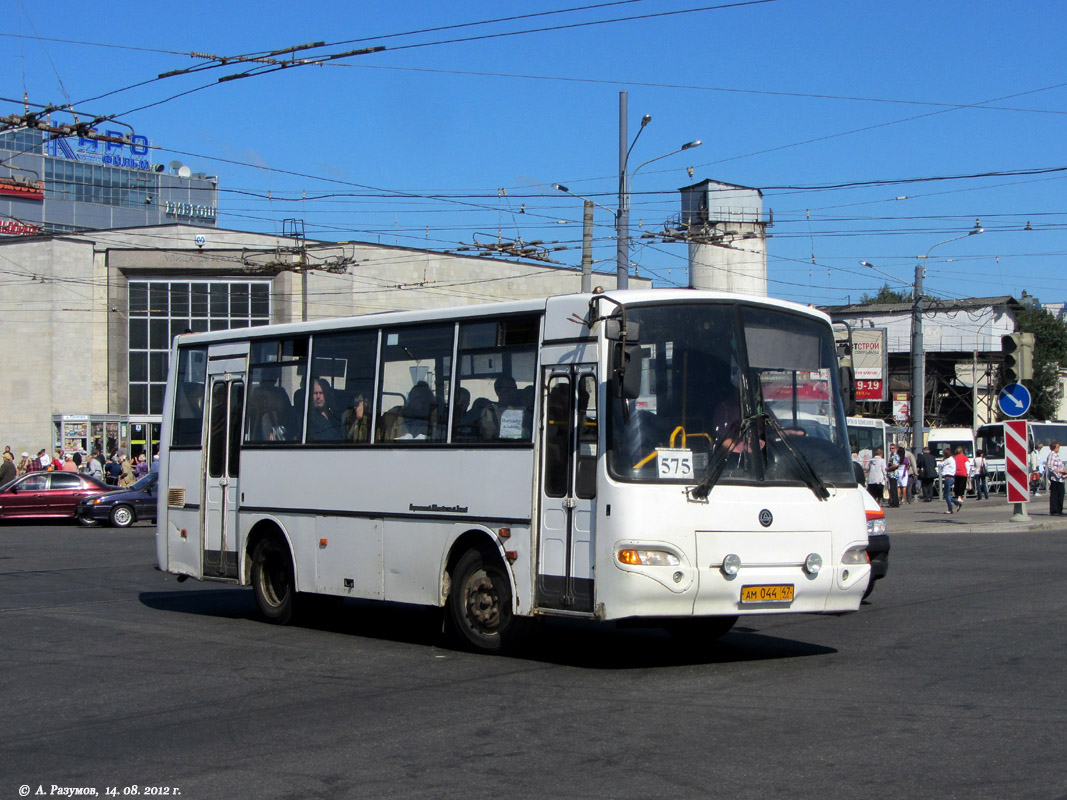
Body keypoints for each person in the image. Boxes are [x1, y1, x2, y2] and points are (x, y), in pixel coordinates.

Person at [940, 447, 961, 513]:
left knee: (946, 495)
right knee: (946, 495)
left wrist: (942, 460)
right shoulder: (951, 459)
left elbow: (941, 464)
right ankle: (957, 503)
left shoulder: (949, 460)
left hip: (948, 478)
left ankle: (950, 509)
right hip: (951, 478)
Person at [1047, 441, 1065, 516]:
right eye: (1058, 447)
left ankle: (1059, 510)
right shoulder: (1052, 455)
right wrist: (1059, 471)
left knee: (1061, 493)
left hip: (1060, 478)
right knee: (1055, 494)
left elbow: (1060, 465)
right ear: (1054, 447)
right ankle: (1054, 510)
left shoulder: (1056, 455)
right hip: (1055, 478)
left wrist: (1064, 471)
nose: (1059, 448)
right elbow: (1050, 466)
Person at [952, 445, 972, 511]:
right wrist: (968, 473)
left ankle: (957, 495)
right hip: (963, 473)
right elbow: (967, 466)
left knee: (957, 485)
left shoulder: (954, 458)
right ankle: (960, 496)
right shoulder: (964, 458)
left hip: (956, 473)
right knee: (962, 485)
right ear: (962, 451)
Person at [886, 443, 900, 507]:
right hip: (891, 474)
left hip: (893, 474)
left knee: (893, 489)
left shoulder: (895, 456)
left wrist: (888, 468)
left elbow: (895, 465)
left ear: (896, 448)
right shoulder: (891, 455)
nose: (891, 449)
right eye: (890, 448)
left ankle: (895, 503)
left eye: (892, 448)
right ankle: (893, 502)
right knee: (892, 488)